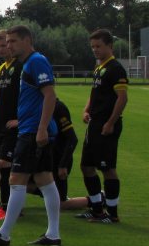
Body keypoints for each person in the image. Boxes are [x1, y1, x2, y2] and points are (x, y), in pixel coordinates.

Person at [0, 25, 62, 246]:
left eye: (12, 41)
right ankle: (53, 234)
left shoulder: (36, 61)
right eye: (7, 42)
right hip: (31, 129)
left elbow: (50, 96)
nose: (9, 45)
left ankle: (3, 235)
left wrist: (41, 128)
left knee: (16, 179)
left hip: (32, 131)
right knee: (44, 180)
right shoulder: (28, 64)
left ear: (27, 40)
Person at [78, 29, 128, 223]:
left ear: (110, 46)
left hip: (106, 125)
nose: (95, 50)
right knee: (86, 166)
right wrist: (86, 109)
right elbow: (94, 93)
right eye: (93, 47)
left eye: (99, 46)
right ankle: (97, 209)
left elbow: (122, 98)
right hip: (94, 124)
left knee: (107, 168)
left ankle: (112, 214)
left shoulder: (116, 68)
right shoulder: (99, 68)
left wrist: (110, 122)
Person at [27, 99, 88, 210]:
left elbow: (72, 139)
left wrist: (63, 165)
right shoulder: (36, 105)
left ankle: (96, 200)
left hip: (58, 161)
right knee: (22, 183)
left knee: (60, 203)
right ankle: (48, 193)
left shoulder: (58, 107)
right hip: (44, 158)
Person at [0, 30, 22, 220]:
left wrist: (21, 119)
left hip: (15, 123)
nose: (2, 49)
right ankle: (12, 206)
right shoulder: (2, 69)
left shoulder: (21, 66)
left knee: (4, 163)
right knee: (2, 164)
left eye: (5, 45)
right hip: (0, 123)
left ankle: (7, 207)